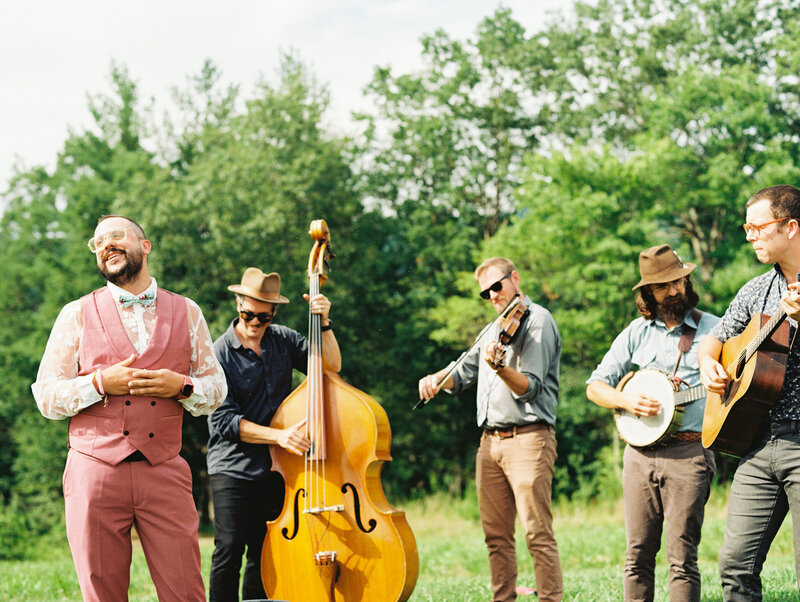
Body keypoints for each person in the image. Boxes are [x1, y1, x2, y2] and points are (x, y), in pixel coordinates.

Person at [31, 215, 228, 602]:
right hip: (94, 470)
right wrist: (99, 383)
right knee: (102, 592)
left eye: (116, 236)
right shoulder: (76, 313)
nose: (106, 245)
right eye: (98, 242)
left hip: (164, 468)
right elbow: (46, 397)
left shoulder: (187, 311)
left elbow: (217, 389)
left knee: (186, 590)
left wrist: (182, 386)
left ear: (145, 246)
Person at [418, 257, 563, 602]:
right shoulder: (493, 328)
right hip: (490, 442)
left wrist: (500, 369)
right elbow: (461, 372)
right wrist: (436, 379)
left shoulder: (538, 321)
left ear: (515, 278)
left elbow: (530, 388)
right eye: (485, 293)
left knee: (536, 533)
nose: (493, 295)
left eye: (497, 286)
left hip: (528, 438)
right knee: (496, 537)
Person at [586, 244, 718, 601]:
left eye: (679, 281)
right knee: (637, 555)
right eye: (663, 286)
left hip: (689, 453)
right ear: (648, 292)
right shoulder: (636, 332)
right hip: (639, 456)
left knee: (682, 558)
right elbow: (595, 387)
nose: (674, 290)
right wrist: (627, 401)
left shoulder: (714, 328)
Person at [206, 266, 341, 602]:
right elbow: (224, 421)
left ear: (274, 314)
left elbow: (330, 368)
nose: (255, 322)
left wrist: (324, 323)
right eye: (248, 314)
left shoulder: (284, 340)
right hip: (232, 468)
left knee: (266, 551)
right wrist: (278, 437)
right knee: (229, 550)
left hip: (277, 467)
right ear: (238, 305)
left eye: (263, 317)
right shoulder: (217, 353)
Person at [699, 184, 800, 600]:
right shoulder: (756, 290)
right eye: (747, 228)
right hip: (758, 444)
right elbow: (716, 337)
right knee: (735, 566)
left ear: (790, 227)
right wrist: (708, 363)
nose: (749, 236)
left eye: (757, 227)